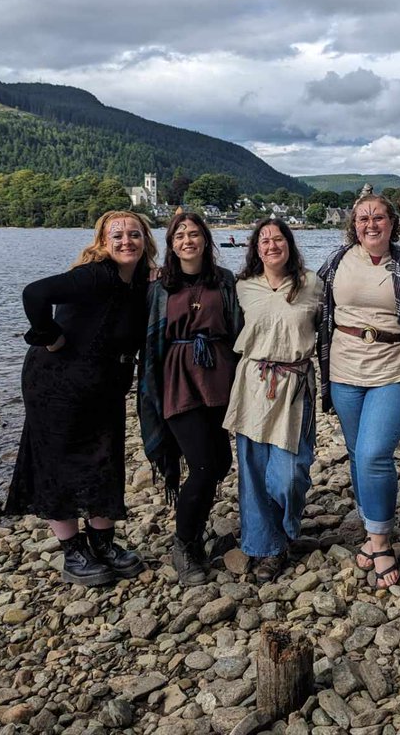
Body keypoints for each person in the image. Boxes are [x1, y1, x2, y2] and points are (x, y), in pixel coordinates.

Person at [6, 210, 156, 587]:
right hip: (57, 384)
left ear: (146, 241)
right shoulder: (95, 275)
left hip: (104, 385)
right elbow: (35, 293)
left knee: (105, 457)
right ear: (103, 243)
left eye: (134, 235)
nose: (126, 242)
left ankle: (102, 544)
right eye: (117, 236)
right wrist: (50, 337)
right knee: (60, 460)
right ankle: (73, 552)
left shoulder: (138, 282)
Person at [317, 195, 400, 589]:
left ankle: (380, 542)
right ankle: (372, 525)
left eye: (379, 216)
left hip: (394, 368)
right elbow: (303, 293)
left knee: (376, 453)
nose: (371, 224)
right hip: (344, 370)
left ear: (393, 222)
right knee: (358, 453)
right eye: (363, 218)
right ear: (353, 224)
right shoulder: (337, 261)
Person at [138, 212, 242, 586]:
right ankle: (184, 545)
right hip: (178, 380)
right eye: (180, 235)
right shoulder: (159, 285)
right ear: (170, 244)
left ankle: (196, 532)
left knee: (220, 461)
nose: (187, 240)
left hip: (218, 378)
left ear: (205, 240)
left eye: (194, 233)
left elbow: (238, 327)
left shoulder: (224, 281)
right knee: (201, 465)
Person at [224, 219, 323, 582]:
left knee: (289, 473)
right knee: (252, 470)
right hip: (253, 383)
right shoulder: (242, 287)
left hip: (294, 384)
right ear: (255, 248)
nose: (271, 245)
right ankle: (265, 545)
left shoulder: (312, 284)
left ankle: (286, 527)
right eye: (263, 240)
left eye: (277, 238)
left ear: (289, 243)